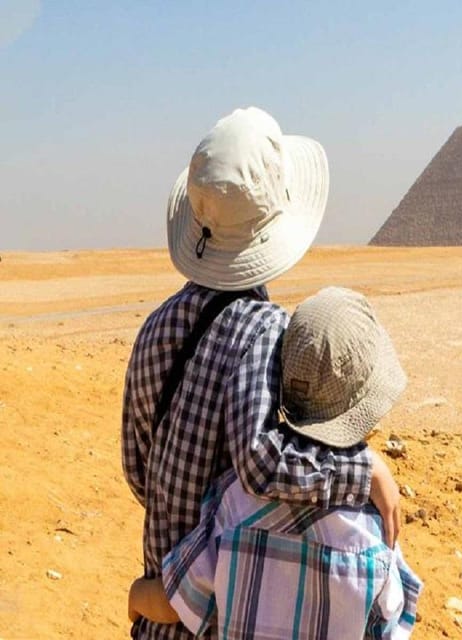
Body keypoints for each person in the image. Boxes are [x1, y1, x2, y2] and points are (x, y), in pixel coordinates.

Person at [122, 108, 401, 640]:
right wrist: (364, 471)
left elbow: (139, 471)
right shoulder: (266, 330)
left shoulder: (155, 327)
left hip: (161, 606)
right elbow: (261, 461)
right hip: (224, 615)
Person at [127, 287, 422, 639]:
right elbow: (392, 624)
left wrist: (136, 596)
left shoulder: (233, 504)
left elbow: (177, 600)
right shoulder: (375, 533)